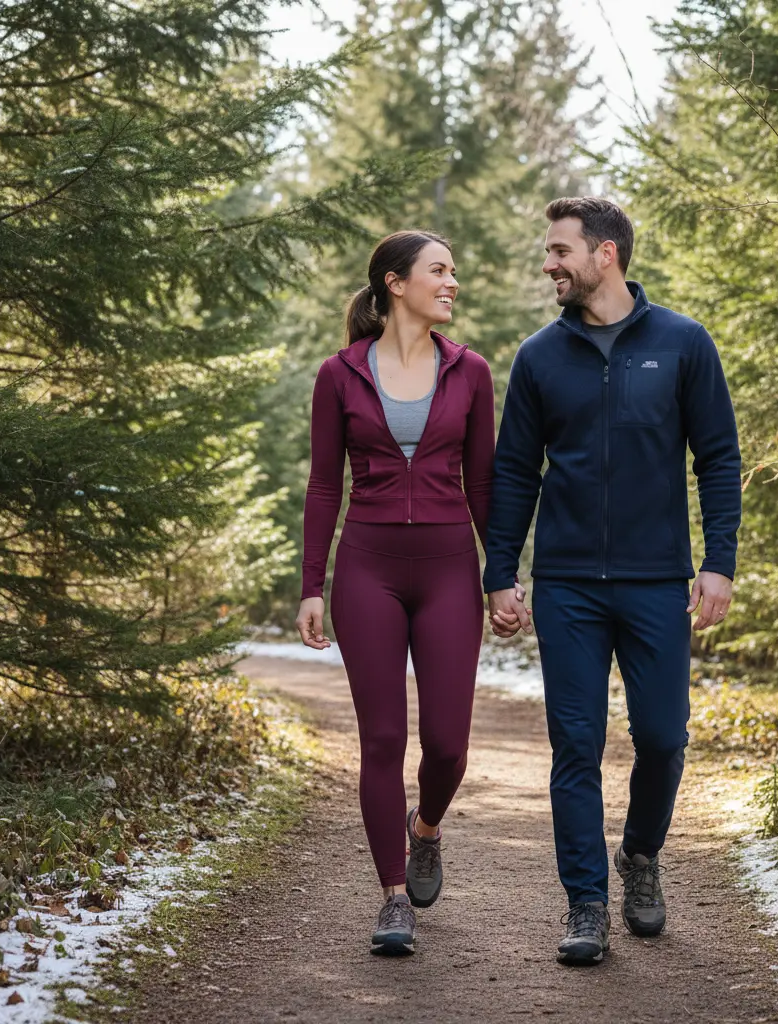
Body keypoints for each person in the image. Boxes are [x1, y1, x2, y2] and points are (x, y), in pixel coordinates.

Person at [483, 197, 741, 966]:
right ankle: (586, 902)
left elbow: (718, 458)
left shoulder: (684, 344)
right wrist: (502, 572)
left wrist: (718, 561)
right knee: (576, 744)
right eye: (549, 251)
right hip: (566, 585)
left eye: (561, 251)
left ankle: (641, 855)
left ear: (606, 255)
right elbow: (513, 472)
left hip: (658, 581)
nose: (549, 264)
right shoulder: (538, 357)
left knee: (663, 739)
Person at [295, 230, 511, 956]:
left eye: (454, 271)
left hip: (450, 566)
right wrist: (311, 586)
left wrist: (500, 576)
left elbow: (483, 483)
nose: (451, 283)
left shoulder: (471, 371)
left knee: (448, 745)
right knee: (383, 738)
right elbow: (326, 484)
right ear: (395, 283)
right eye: (439, 271)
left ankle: (427, 829)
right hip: (368, 570)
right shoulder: (340, 373)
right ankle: (393, 897)